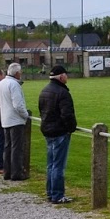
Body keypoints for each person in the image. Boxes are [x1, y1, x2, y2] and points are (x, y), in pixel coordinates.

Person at [37, 65, 78, 204]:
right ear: (61, 77)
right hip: (59, 131)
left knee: (51, 164)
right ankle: (57, 195)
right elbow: (67, 114)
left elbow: (41, 110)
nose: (67, 77)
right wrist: (71, 128)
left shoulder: (44, 91)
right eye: (66, 75)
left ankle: (50, 192)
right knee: (58, 165)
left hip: (48, 130)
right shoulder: (63, 93)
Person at [0, 63, 31, 180]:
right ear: (17, 73)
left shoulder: (2, 83)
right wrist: (25, 115)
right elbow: (18, 104)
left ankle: (7, 172)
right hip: (15, 120)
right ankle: (16, 173)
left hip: (5, 119)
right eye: (20, 72)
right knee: (17, 148)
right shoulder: (14, 84)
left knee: (8, 147)